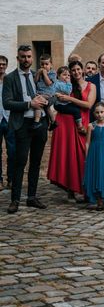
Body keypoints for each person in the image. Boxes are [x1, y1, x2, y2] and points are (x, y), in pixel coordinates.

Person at [4, 45, 49, 214]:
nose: (26, 60)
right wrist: (29, 104)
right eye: (23, 57)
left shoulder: (37, 75)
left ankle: (31, 197)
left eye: (29, 56)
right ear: (18, 58)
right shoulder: (10, 78)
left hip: (40, 124)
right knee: (20, 162)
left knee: (36, 162)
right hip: (22, 124)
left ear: (32, 58)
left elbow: (48, 93)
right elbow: (7, 103)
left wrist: (46, 100)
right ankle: (15, 199)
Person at [47, 60, 95, 201]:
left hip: (83, 122)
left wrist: (69, 99)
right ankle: (71, 190)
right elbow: (56, 102)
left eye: (78, 69)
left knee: (82, 156)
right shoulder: (67, 85)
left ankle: (85, 189)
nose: (76, 72)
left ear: (83, 70)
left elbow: (88, 105)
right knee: (69, 156)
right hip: (65, 123)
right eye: (73, 70)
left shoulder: (91, 86)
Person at [44, 66, 84, 132]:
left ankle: (79, 121)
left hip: (64, 103)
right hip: (60, 105)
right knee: (76, 110)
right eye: (64, 75)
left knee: (77, 106)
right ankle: (79, 126)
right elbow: (68, 91)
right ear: (58, 76)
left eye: (68, 75)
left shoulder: (57, 83)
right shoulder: (61, 84)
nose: (67, 77)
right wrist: (68, 83)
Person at [0, 55, 15, 189]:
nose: (1, 66)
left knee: (12, 151)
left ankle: (11, 179)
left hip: (10, 119)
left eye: (3, 64)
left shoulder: (10, 80)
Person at [33, 54, 56, 130]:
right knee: (47, 108)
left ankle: (37, 121)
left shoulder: (52, 73)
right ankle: (53, 121)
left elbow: (48, 83)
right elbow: (35, 81)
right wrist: (38, 74)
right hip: (40, 92)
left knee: (38, 103)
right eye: (42, 64)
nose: (44, 66)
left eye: (46, 64)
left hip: (48, 93)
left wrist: (45, 74)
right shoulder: (39, 72)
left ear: (51, 65)